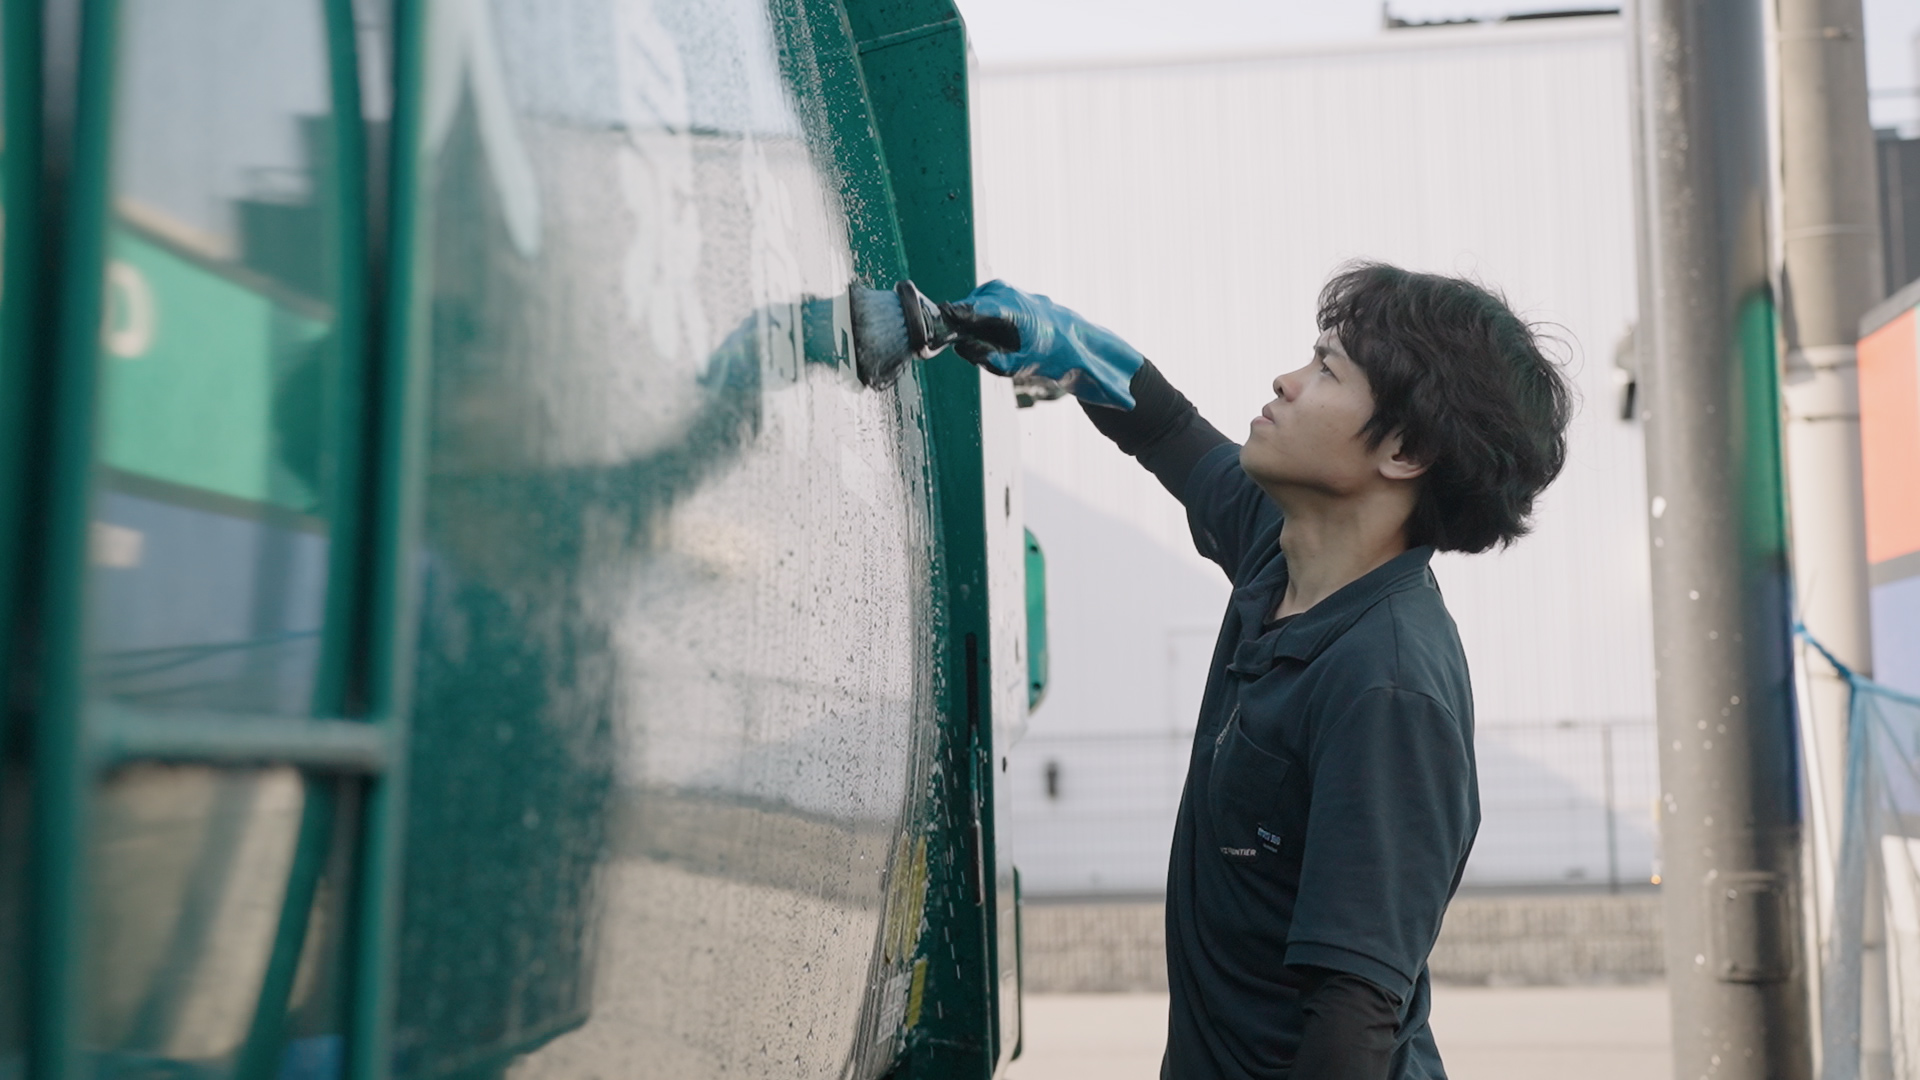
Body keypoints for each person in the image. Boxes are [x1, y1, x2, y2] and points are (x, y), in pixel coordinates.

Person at [946, 263, 1573, 1080]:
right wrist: (1068, 350)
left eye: (1327, 371)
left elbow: (1352, 1021)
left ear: (1407, 449)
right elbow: (1167, 429)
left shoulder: (1386, 688)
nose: (1286, 380)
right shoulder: (1280, 554)